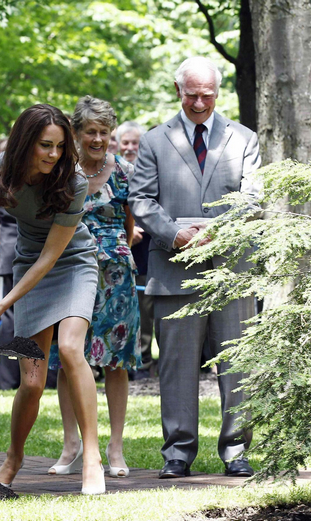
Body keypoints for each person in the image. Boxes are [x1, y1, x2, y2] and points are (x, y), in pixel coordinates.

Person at [0, 104, 105, 495]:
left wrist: (2, 303)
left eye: (61, 147)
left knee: (69, 348)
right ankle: (14, 457)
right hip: (28, 262)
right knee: (30, 380)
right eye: (46, 146)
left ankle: (92, 458)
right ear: (26, 143)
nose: (53, 155)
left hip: (73, 264)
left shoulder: (73, 181)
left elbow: (53, 256)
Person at [128, 56, 261, 479]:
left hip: (231, 271)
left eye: (207, 95)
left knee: (238, 364)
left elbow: (252, 199)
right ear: (177, 90)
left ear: (217, 93)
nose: (200, 103)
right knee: (176, 366)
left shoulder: (244, 139)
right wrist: (175, 235)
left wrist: (218, 235)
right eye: (192, 95)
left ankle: (236, 449)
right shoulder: (152, 141)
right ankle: (178, 453)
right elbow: (142, 201)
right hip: (173, 269)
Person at [49, 96, 141, 479]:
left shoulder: (124, 171)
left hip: (117, 273)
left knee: (116, 361)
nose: (99, 139)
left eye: (105, 132)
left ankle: (115, 447)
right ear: (76, 133)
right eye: (91, 132)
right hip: (70, 267)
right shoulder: (60, 171)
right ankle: (72, 444)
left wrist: (118, 246)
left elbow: (131, 223)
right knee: (69, 358)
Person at [117, 121, 154, 380]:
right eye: (125, 143)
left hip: (146, 251)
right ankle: (121, 362)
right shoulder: (111, 170)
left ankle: (144, 363)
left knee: (146, 310)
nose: (130, 148)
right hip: (119, 251)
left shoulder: (150, 170)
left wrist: (140, 228)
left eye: (134, 143)